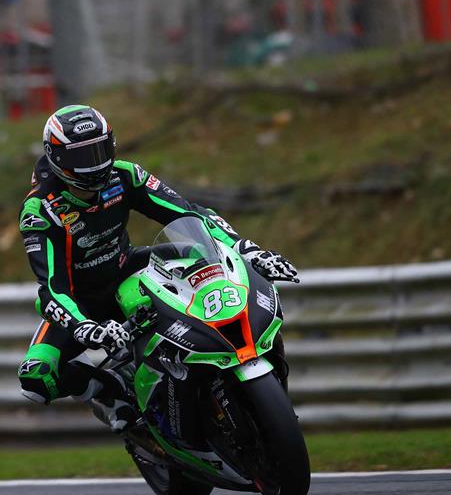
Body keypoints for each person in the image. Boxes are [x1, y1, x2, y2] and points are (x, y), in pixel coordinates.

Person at [18, 105, 298, 431]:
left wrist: (246, 248)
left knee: (199, 250)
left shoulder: (126, 176)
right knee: (35, 378)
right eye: (82, 156)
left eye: (100, 150)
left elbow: (189, 213)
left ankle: (241, 362)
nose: (95, 165)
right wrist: (84, 327)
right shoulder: (40, 210)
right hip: (81, 300)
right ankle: (110, 393)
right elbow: (51, 288)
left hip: (128, 268)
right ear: (57, 157)